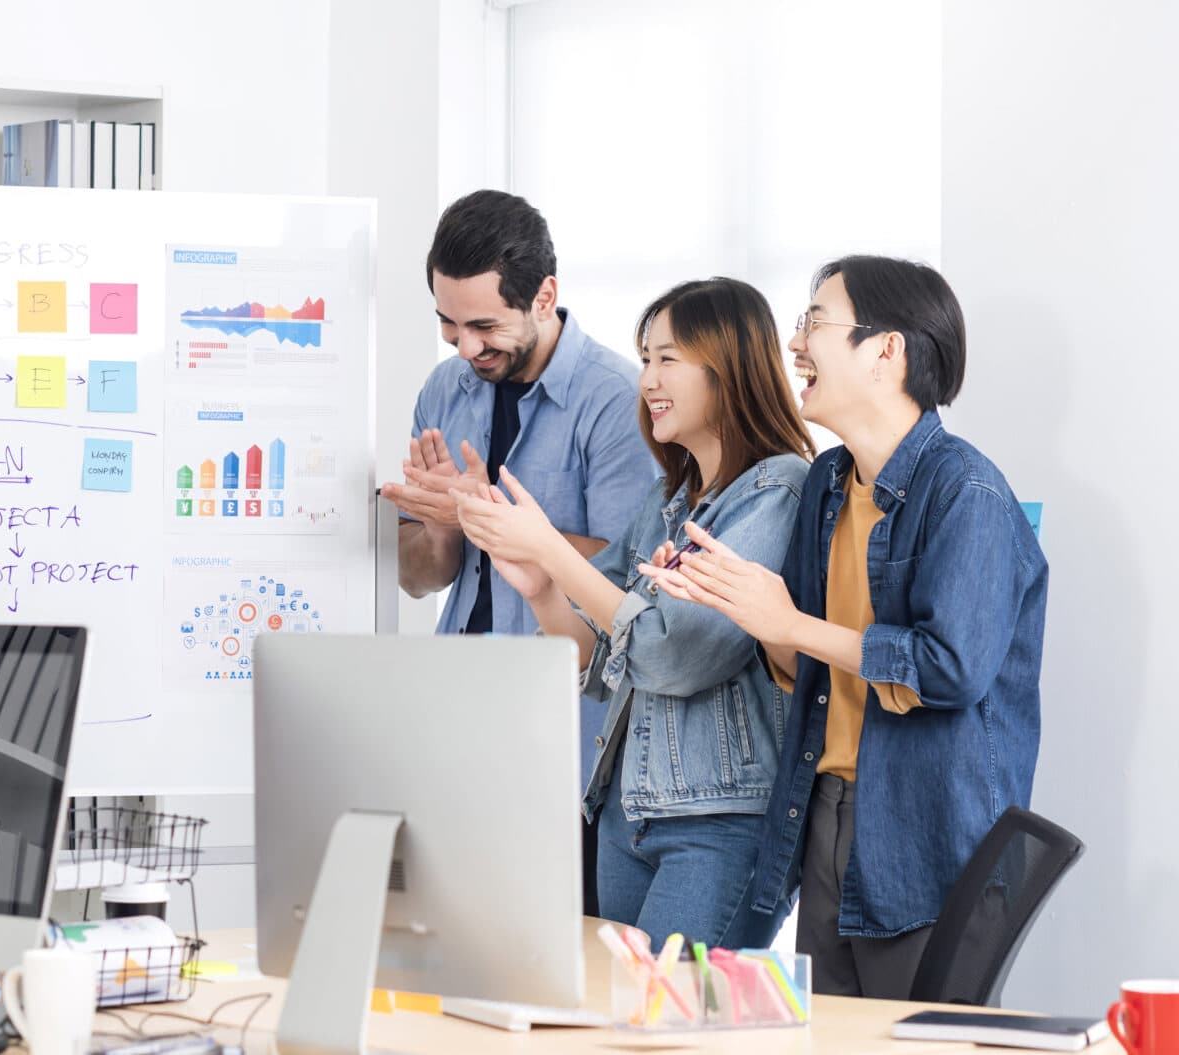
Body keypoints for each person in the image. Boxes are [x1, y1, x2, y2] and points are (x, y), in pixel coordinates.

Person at [641, 256, 1047, 998]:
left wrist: (790, 619)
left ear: (886, 350)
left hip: (928, 831)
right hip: (824, 811)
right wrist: (740, 600)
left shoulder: (970, 492)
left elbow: (949, 668)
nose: (795, 343)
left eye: (814, 322)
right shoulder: (828, 481)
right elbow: (800, 667)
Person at [453, 277, 812, 946]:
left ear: (729, 366)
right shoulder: (668, 501)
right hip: (626, 814)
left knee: (671, 1030)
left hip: (719, 824)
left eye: (668, 358)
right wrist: (540, 586)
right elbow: (592, 646)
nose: (647, 379)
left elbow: (675, 654)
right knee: (618, 1025)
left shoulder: (778, 489)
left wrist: (555, 553)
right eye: (645, 358)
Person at [379, 189, 656, 912]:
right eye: (447, 323)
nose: (465, 346)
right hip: (458, 716)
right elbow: (422, 577)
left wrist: (487, 516)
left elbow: (633, 576)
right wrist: (441, 528)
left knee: (560, 950)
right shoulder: (444, 390)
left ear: (545, 296)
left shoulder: (616, 400)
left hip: (566, 727)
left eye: (482, 325)